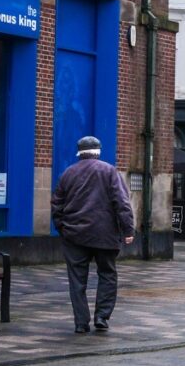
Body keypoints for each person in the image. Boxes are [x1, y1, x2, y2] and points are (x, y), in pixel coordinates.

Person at [51, 136, 135, 333]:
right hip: (104, 235)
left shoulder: (68, 173)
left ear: (79, 152)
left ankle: (81, 323)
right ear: (98, 151)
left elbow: (57, 205)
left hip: (74, 235)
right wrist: (128, 229)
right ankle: (102, 317)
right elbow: (122, 203)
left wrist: (62, 228)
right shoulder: (109, 171)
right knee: (107, 274)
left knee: (77, 280)